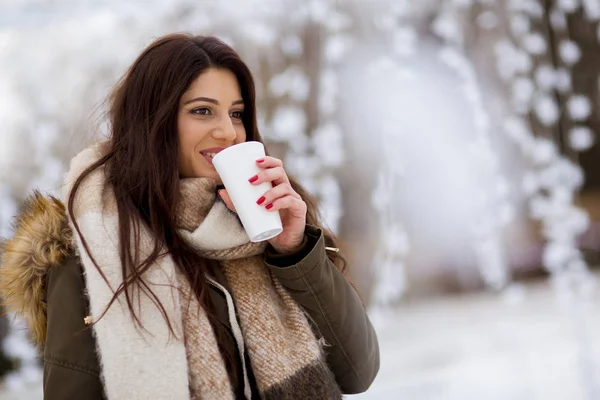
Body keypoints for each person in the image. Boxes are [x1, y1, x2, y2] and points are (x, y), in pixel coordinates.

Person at [0, 34, 379, 400]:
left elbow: (358, 372)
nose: (227, 131)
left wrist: (294, 252)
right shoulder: (93, 249)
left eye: (237, 113)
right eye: (202, 111)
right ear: (154, 121)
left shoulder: (269, 225)